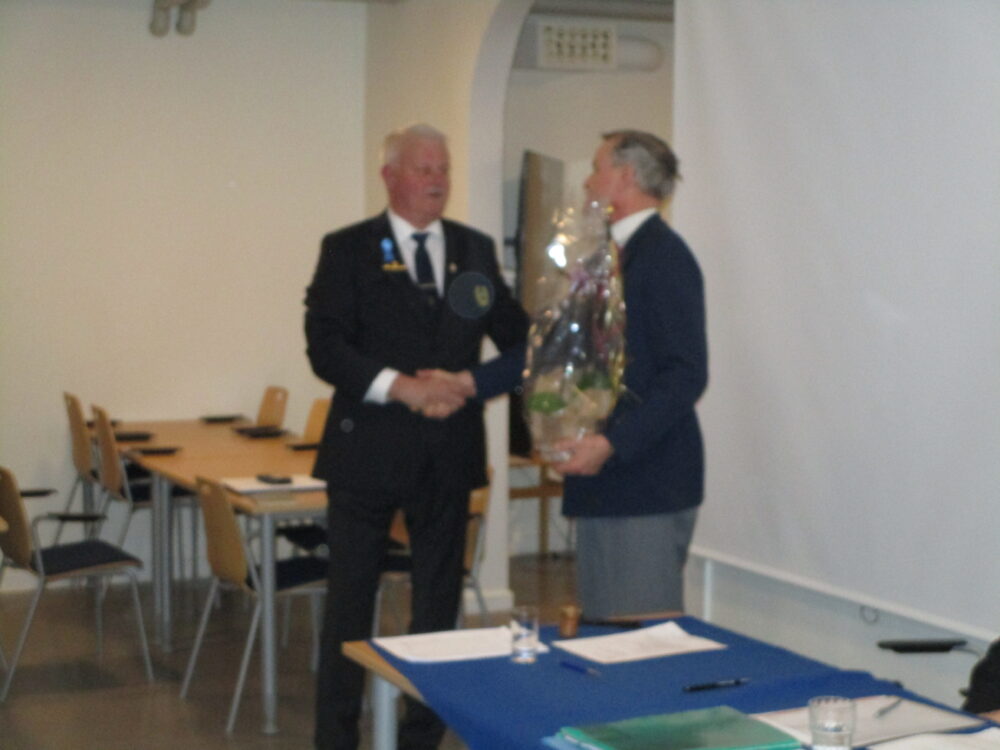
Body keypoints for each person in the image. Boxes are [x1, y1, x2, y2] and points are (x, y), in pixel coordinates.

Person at [305, 123, 528, 750]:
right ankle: (336, 738)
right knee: (350, 605)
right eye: (424, 169)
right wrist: (399, 386)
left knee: (437, 608)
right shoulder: (348, 249)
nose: (437, 180)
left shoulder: (474, 251)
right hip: (366, 452)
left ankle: (420, 737)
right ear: (390, 176)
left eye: (443, 169)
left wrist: (470, 384)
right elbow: (326, 347)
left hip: (447, 454)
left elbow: (523, 343)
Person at [553, 130, 708, 619]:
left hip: (645, 484)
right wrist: (469, 383)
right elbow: (560, 345)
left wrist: (611, 443)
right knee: (605, 634)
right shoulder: (605, 257)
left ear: (625, 177)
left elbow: (686, 374)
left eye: (596, 168)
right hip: (609, 484)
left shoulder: (663, 256)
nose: (587, 181)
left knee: (639, 643)